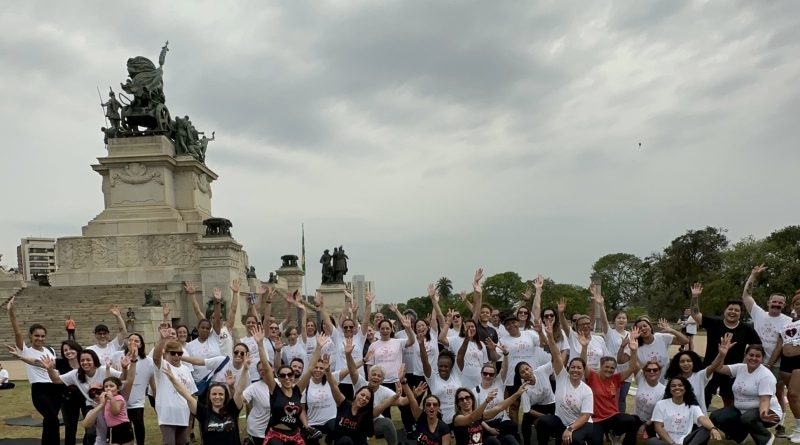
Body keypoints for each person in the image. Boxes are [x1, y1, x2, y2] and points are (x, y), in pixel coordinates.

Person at [690, 282, 761, 407]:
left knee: (730, 401)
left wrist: (746, 362)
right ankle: (702, 424)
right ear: (725, 311)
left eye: (737, 310)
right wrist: (695, 297)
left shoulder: (746, 329)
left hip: (732, 371)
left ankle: (729, 424)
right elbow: (695, 314)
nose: (733, 312)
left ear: (740, 314)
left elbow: (757, 347)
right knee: (703, 398)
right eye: (730, 309)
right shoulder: (714, 323)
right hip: (711, 367)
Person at [742, 265, 792, 436]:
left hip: (775, 364)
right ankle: (750, 421)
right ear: (769, 302)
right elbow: (746, 295)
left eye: (780, 303)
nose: (776, 305)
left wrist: (769, 364)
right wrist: (753, 275)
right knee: (751, 391)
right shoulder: (758, 314)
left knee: (778, 393)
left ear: (784, 305)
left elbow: (780, 344)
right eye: (774, 302)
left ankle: (780, 423)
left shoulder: (788, 321)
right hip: (753, 361)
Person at [163, 353, 251, 445]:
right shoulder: (203, 412)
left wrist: (245, 369)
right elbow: (187, 395)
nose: (217, 397)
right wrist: (173, 380)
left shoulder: (232, 409)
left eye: (221, 394)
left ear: (225, 396)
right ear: (209, 396)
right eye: (214, 394)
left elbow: (239, 391)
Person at [8, 296, 61, 445]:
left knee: (50, 421)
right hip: (40, 389)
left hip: (55, 388)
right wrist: (11, 313)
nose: (40, 338)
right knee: (52, 418)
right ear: (30, 337)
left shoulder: (50, 350)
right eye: (36, 336)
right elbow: (17, 333)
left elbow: (54, 369)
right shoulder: (25, 351)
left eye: (42, 336)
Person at [709, 344, 782, 445]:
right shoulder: (740, 368)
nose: (753, 358)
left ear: (762, 359)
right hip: (742, 411)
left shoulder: (765, 376)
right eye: (751, 355)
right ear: (745, 355)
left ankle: (766, 438)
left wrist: (763, 413)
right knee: (716, 416)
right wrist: (722, 354)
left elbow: (765, 400)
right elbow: (718, 368)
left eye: (757, 356)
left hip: (769, 412)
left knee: (747, 418)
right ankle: (741, 436)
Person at [538, 318, 595, 445]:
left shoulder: (586, 390)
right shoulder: (562, 377)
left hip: (582, 424)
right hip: (561, 422)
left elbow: (585, 416)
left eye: (579, 368)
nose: (575, 370)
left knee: (573, 440)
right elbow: (556, 355)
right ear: (568, 368)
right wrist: (550, 336)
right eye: (573, 367)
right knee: (543, 421)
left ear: (583, 371)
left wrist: (570, 428)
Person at [582, 327, 640, 445]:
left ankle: (619, 438)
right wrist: (584, 347)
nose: (609, 370)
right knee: (596, 442)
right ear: (601, 366)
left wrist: (633, 351)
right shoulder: (592, 376)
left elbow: (632, 368)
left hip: (612, 416)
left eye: (612, 368)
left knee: (632, 421)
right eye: (606, 367)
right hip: (596, 419)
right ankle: (608, 434)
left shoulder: (616, 378)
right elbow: (583, 364)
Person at [664, 334, 733, 414]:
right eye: (682, 362)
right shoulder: (673, 380)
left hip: (698, 418)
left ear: (694, 363)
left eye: (688, 361)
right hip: (679, 418)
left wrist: (721, 354)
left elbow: (713, 366)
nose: (686, 364)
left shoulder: (700, 376)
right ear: (678, 364)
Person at [153, 326, 198, 445]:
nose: (177, 356)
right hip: (167, 415)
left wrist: (193, 414)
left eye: (179, 353)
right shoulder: (162, 366)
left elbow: (192, 394)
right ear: (166, 353)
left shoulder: (185, 369)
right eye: (173, 353)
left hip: (184, 414)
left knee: (183, 443)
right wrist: (162, 341)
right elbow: (156, 358)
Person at [591, 285, 631, 413]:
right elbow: (603, 321)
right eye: (619, 318)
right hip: (610, 373)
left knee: (622, 400)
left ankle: (620, 424)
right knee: (611, 399)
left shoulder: (631, 335)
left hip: (625, 374)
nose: (621, 320)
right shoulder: (610, 333)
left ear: (627, 321)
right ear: (614, 321)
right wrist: (601, 305)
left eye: (624, 318)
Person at [649, 376, 722, 445]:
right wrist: (673, 443)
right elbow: (658, 427)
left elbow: (702, 418)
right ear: (669, 389)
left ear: (685, 388)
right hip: (666, 441)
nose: (677, 387)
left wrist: (713, 428)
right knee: (652, 441)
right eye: (673, 386)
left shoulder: (692, 406)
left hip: (685, 441)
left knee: (706, 429)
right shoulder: (661, 404)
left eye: (680, 385)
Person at [452, 384, 528, 445]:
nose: (465, 401)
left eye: (467, 397)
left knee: (508, 438)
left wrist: (517, 394)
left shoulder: (478, 415)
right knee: (492, 441)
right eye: (461, 399)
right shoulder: (457, 419)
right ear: (458, 403)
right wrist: (487, 401)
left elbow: (499, 407)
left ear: (472, 399)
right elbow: (471, 418)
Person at [618, 316, 688, 381]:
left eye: (645, 326)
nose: (643, 328)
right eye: (640, 328)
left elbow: (685, 341)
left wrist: (671, 330)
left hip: (666, 380)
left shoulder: (661, 337)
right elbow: (620, 361)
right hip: (647, 382)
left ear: (650, 327)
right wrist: (622, 346)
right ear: (637, 331)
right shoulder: (635, 345)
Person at [771, 291, 800, 443]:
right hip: (785, 364)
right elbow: (779, 346)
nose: (799, 306)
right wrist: (769, 364)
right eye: (797, 303)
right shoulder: (788, 323)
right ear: (793, 306)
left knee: (793, 395)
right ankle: (797, 427)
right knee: (797, 397)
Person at [325, 365, 376, 445]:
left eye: (367, 398)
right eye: (362, 395)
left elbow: (367, 436)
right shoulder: (344, 404)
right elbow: (333, 386)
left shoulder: (366, 415)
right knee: (346, 440)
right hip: (341, 442)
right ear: (356, 394)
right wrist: (328, 371)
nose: (363, 399)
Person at [559, 297, 608, 370]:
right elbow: (564, 324)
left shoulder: (599, 339)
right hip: (578, 373)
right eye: (582, 324)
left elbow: (606, 358)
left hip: (596, 374)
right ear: (577, 327)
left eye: (587, 324)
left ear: (591, 325)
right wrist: (561, 313)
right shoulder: (573, 337)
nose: (585, 326)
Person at [633, 361, 666, 440]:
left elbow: (658, 414)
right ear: (644, 372)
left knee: (651, 440)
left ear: (659, 372)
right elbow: (633, 364)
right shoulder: (641, 379)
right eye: (648, 370)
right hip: (635, 418)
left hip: (651, 422)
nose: (652, 372)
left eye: (655, 370)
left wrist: (644, 426)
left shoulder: (664, 391)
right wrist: (634, 351)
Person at [102, 376, 136, 445]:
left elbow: (116, 412)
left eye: (111, 386)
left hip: (123, 427)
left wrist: (112, 399)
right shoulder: (106, 400)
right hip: (112, 429)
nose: (108, 388)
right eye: (106, 386)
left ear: (118, 388)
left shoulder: (119, 398)